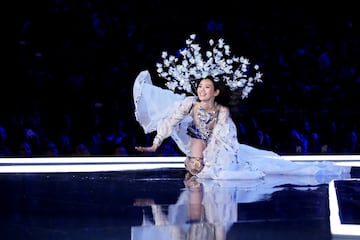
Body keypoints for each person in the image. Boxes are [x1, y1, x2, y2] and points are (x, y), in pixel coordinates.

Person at [133, 34, 351, 180]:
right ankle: (313, 170)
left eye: (207, 87)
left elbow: (218, 138)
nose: (201, 90)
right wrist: (159, 146)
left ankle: (317, 171)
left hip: (225, 154)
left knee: (273, 165)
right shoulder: (181, 110)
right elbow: (174, 126)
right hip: (212, 156)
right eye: (200, 87)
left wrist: (209, 162)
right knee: (271, 163)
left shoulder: (206, 112)